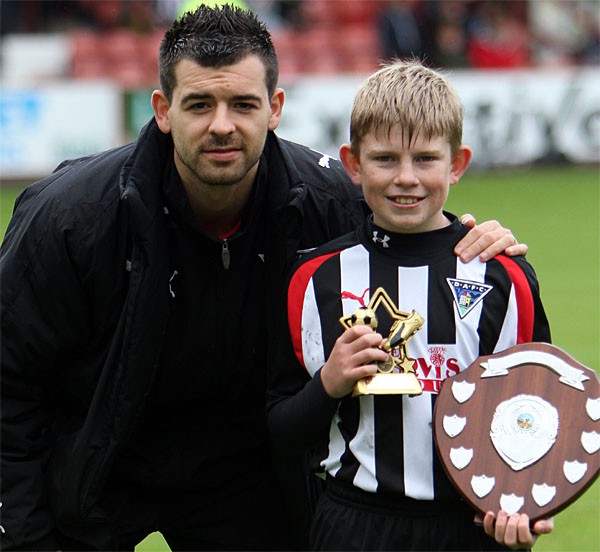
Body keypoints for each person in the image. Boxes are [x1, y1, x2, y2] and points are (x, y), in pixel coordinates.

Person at [0, 5, 527, 551]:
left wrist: (473, 240)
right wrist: (23, 536)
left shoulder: (328, 203)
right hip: (95, 465)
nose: (222, 124)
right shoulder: (71, 218)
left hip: (244, 476)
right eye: (200, 104)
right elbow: (7, 383)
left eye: (243, 104)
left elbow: (409, 230)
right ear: (162, 109)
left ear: (275, 108)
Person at [267, 59, 554, 551]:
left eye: (425, 159)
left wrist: (524, 510)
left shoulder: (502, 277)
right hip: (354, 524)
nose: (406, 178)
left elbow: (539, 414)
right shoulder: (314, 280)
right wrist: (330, 383)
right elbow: (279, 429)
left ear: (457, 164)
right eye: (384, 159)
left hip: (474, 528)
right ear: (352, 164)